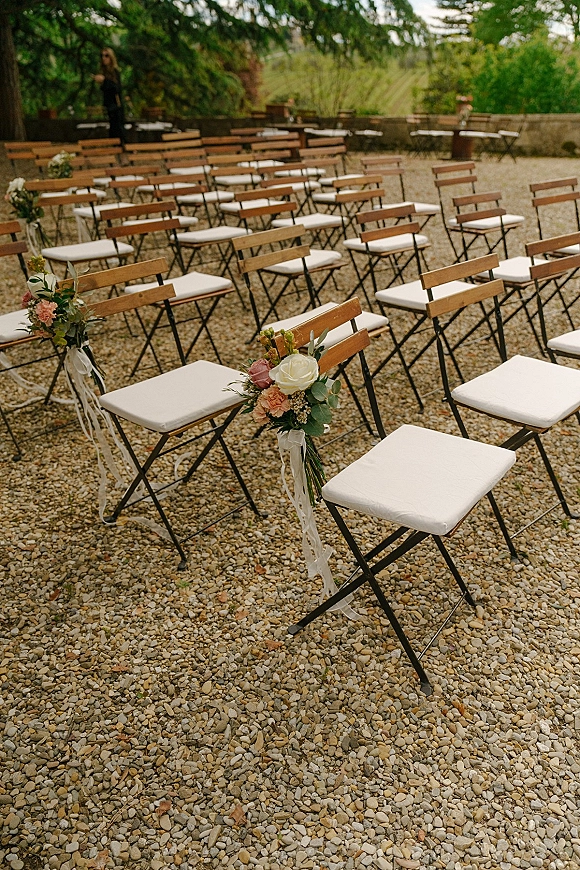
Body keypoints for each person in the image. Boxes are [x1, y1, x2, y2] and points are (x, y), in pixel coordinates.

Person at [91, 48, 125, 142]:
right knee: (112, 130)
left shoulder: (115, 71)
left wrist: (104, 80)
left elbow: (117, 88)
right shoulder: (104, 71)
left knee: (118, 130)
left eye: (106, 56)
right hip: (108, 105)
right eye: (102, 56)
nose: (104, 58)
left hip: (116, 106)